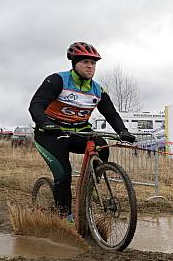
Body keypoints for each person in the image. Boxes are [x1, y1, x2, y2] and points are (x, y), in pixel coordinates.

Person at [29, 41, 136, 219]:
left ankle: (89, 188)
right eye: (85, 62)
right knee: (64, 175)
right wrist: (45, 123)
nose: (90, 66)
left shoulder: (97, 89)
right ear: (74, 63)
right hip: (50, 135)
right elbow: (36, 106)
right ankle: (64, 217)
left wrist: (122, 131)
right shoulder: (57, 80)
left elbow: (111, 113)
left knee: (102, 146)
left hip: (78, 132)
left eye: (93, 63)